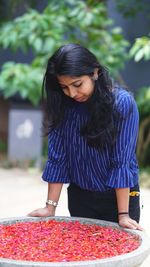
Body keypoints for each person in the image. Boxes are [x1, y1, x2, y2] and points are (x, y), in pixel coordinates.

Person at [28, 43, 143, 230]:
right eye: (64, 87)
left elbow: (122, 161)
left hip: (119, 198)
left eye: (77, 84)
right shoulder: (64, 104)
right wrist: (50, 208)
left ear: (95, 73)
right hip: (80, 196)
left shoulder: (122, 103)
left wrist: (123, 215)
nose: (72, 93)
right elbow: (58, 158)